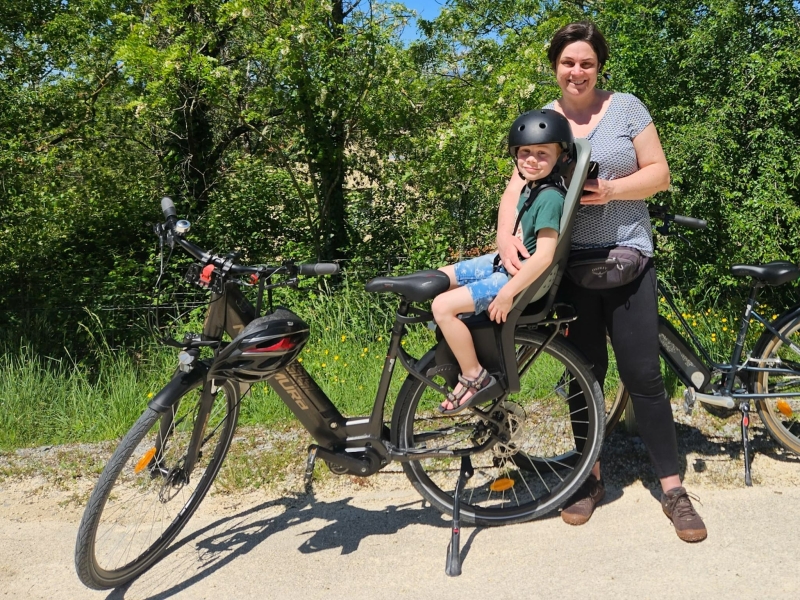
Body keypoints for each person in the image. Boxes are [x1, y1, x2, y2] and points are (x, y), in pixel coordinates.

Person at [496, 21, 707, 542]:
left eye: (586, 62)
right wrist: (505, 234)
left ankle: (674, 490)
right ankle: (588, 481)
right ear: (555, 66)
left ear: (599, 67)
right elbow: (516, 181)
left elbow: (659, 174)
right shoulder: (545, 120)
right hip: (567, 267)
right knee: (582, 376)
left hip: (628, 258)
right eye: (568, 62)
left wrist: (612, 189)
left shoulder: (627, 108)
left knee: (644, 378)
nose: (577, 71)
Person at [432, 109, 573, 415]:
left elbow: (545, 256)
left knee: (441, 307)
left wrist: (508, 294)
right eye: (524, 153)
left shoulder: (549, 198)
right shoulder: (531, 186)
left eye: (541, 153)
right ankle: (454, 347)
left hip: (516, 280)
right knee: (435, 280)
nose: (531, 160)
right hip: (505, 265)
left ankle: (473, 375)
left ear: (561, 156)